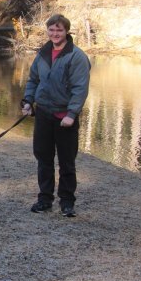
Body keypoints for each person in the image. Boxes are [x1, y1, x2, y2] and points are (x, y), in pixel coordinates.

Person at [21, 14, 91, 217]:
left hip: (65, 118)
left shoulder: (76, 56)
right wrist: (28, 101)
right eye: (51, 30)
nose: (55, 33)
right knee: (43, 159)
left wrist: (72, 113)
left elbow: (80, 88)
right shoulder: (43, 54)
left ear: (66, 31)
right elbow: (33, 79)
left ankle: (67, 202)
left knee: (67, 162)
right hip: (44, 114)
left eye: (59, 30)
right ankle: (44, 199)